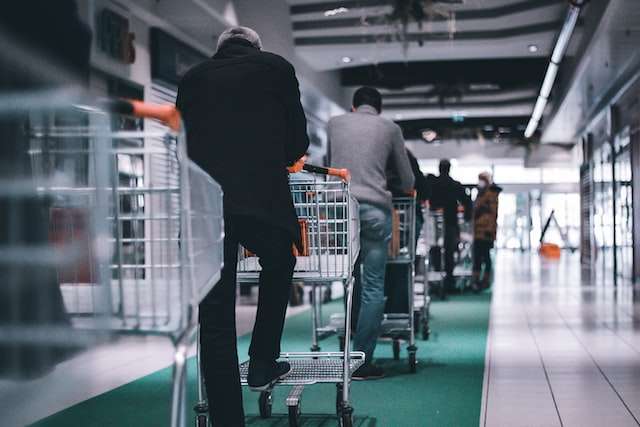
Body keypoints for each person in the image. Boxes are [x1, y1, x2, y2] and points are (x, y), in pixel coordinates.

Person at [176, 26, 309, 426]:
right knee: (279, 264)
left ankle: (227, 420)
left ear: (220, 50)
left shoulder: (193, 77)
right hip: (261, 203)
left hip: (205, 207)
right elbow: (297, 144)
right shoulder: (277, 68)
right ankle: (263, 361)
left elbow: (179, 141)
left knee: (215, 315)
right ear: (256, 47)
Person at [329, 86, 414, 379]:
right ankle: (362, 360)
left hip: (340, 210)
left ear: (354, 107)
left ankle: (347, 346)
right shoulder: (389, 128)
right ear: (378, 108)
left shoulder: (334, 124)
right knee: (374, 286)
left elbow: (332, 164)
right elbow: (407, 178)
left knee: (349, 278)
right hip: (375, 212)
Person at [426, 159, 473, 293]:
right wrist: (466, 217)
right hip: (451, 221)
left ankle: (435, 278)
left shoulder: (433, 183)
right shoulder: (454, 184)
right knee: (449, 252)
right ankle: (449, 281)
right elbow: (466, 201)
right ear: (449, 169)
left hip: (434, 222)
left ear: (440, 168)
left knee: (434, 249)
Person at [472, 172, 501, 292]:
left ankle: (485, 280)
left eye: (481, 180)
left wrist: (490, 230)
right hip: (478, 231)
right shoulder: (481, 194)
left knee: (485, 257)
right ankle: (477, 280)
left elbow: (493, 214)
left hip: (486, 231)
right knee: (477, 257)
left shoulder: (491, 195)